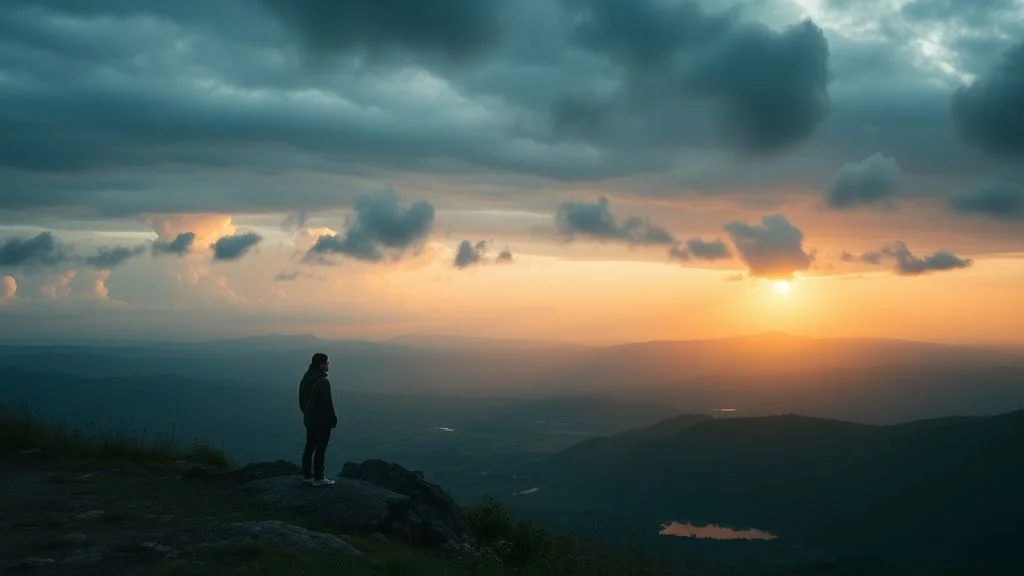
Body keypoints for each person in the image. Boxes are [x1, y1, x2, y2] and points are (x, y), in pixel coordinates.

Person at [298, 352, 338, 486]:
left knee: (309, 446)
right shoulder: (323, 382)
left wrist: (308, 414)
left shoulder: (305, 379)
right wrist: (332, 419)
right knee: (321, 448)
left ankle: (307, 475)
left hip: (309, 420)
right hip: (322, 422)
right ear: (321, 365)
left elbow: (301, 401)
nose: (328, 366)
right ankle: (319, 478)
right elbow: (327, 404)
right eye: (326, 363)